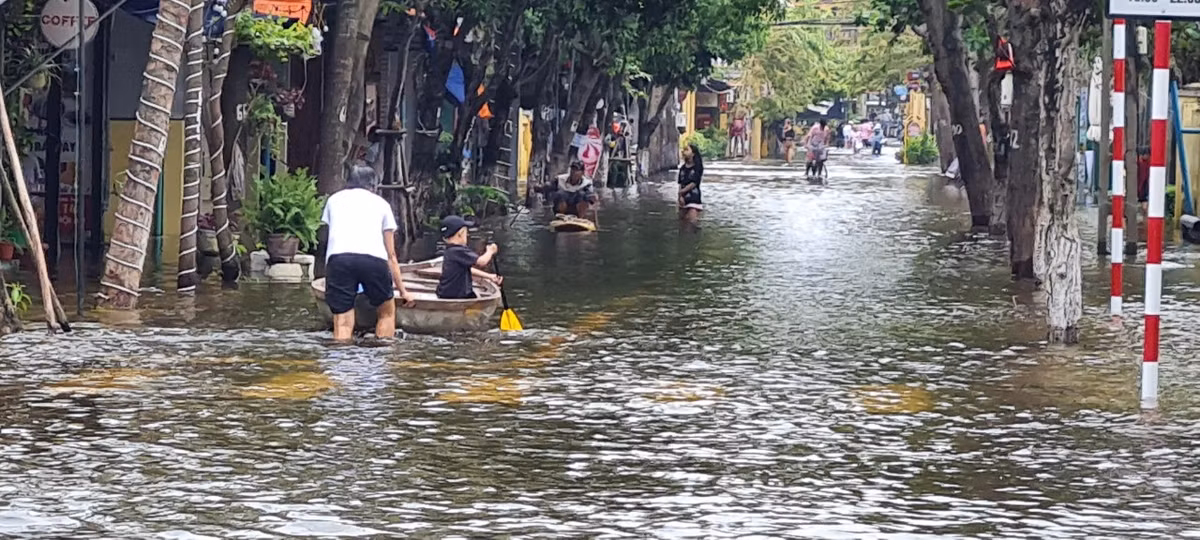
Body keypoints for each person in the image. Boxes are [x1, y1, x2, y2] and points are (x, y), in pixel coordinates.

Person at [321, 164, 415, 342]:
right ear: (373, 186)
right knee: (386, 312)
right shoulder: (381, 203)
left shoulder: (333, 200)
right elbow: (391, 255)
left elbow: (331, 236)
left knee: (342, 321)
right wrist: (403, 291)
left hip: (339, 260)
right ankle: (381, 352)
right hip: (374, 260)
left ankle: (342, 359)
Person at [436, 215, 502, 299]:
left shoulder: (449, 250)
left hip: (444, 292)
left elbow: (467, 268)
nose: (467, 235)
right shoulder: (458, 250)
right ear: (460, 234)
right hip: (455, 295)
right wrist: (490, 251)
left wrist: (489, 276)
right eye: (466, 232)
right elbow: (482, 262)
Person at [678, 142, 704, 222]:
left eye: (686, 150)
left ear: (693, 154)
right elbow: (680, 183)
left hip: (694, 199)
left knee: (691, 224)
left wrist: (681, 192)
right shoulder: (682, 168)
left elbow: (694, 183)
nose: (683, 152)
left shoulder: (697, 167)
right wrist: (680, 197)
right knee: (682, 225)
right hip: (683, 200)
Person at [605, 122, 631, 188]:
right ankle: (612, 185)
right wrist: (614, 143)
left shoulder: (624, 138)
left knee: (625, 169)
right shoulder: (611, 136)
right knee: (614, 168)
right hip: (614, 158)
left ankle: (625, 184)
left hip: (623, 159)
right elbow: (608, 142)